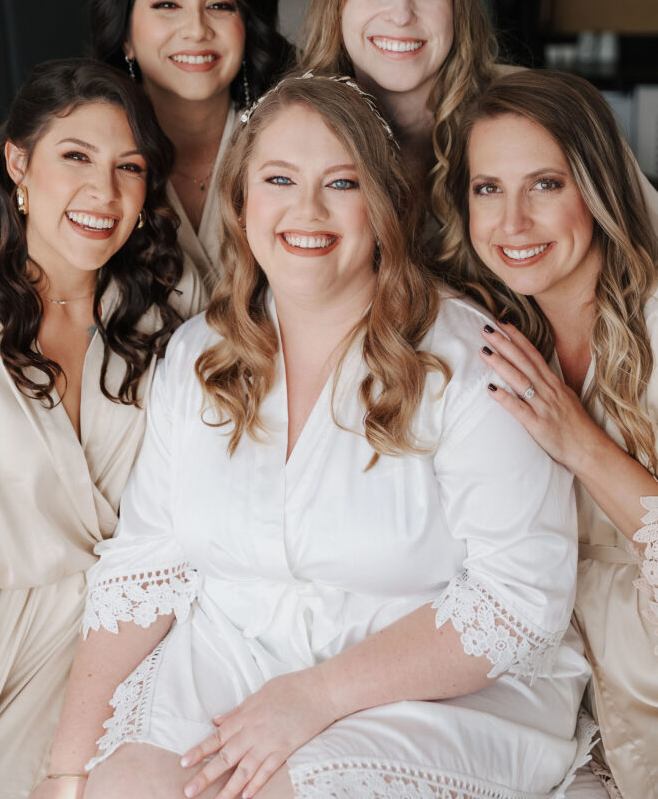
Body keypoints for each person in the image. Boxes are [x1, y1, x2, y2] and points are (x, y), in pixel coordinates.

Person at [34, 73, 593, 799]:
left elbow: (516, 598)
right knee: (124, 789)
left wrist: (314, 697)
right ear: (241, 202)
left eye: (341, 183)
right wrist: (65, 771)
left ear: (384, 205)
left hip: (431, 686)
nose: (307, 210)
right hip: (232, 658)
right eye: (279, 179)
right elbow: (146, 568)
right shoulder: (198, 355)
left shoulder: (467, 360)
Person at [0, 58, 204, 797]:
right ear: (18, 163)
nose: (104, 193)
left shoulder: (173, 305)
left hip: (136, 634)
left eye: (129, 167)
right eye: (75, 156)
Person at [442, 68, 658, 797]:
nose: (512, 223)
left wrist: (580, 443)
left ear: (596, 189)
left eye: (544, 184)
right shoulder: (482, 339)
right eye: (487, 188)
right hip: (550, 708)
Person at [298, 0, 658, 244]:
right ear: (338, 0)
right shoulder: (295, 124)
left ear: (460, 10)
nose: (401, 14)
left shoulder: (540, 109)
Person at [91, 0, 293, 290]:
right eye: (167, 4)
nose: (197, 30)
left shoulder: (292, 144)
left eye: (219, 5)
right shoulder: (86, 162)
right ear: (126, 37)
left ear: (247, 29)